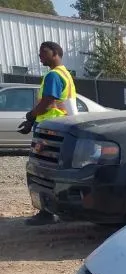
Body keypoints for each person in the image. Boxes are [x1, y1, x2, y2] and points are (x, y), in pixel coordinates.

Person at [19, 41, 78, 226]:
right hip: (59, 127)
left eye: (44, 53)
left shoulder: (53, 75)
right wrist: (31, 122)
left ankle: (46, 212)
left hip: (49, 130)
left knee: (41, 171)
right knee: (52, 171)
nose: (40, 56)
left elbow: (49, 102)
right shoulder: (65, 73)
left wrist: (31, 115)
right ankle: (55, 209)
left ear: (56, 53)